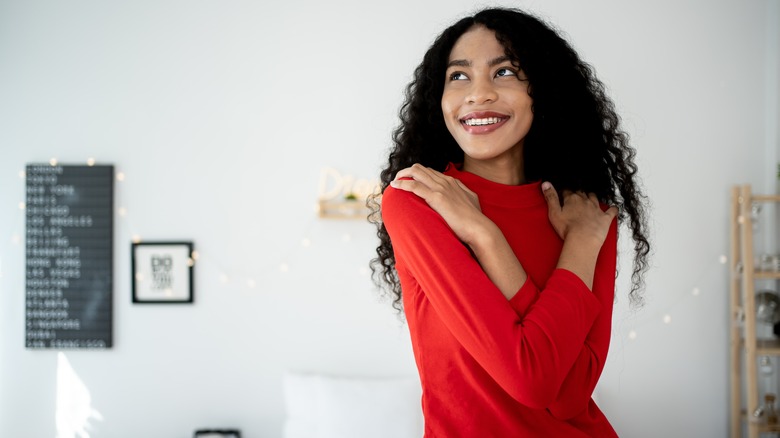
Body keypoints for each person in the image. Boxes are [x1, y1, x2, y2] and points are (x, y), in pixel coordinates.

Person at [368, 7, 650, 438]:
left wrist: (564, 240)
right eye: (458, 76)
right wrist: (488, 233)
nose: (478, 94)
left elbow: (569, 396)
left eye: (504, 72)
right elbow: (533, 381)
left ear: (543, 90)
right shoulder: (418, 201)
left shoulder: (589, 215)